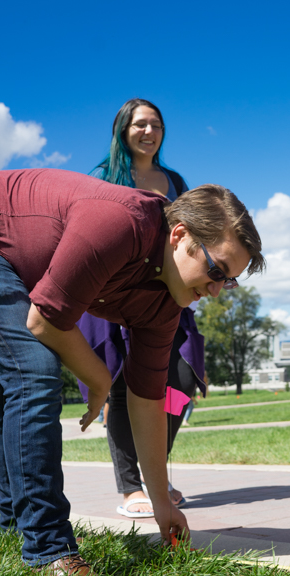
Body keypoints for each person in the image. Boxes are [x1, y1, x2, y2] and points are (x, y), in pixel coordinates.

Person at [0, 168, 264, 576]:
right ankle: (48, 551)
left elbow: (147, 399)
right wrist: (100, 379)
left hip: (18, 263)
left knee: (7, 387)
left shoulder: (167, 305)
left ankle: (16, 525)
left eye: (228, 282)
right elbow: (44, 322)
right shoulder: (121, 223)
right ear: (180, 237)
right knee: (32, 372)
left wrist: (161, 502)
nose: (215, 291)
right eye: (216, 270)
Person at [79, 98, 208, 519]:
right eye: (139, 124)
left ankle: (156, 471)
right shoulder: (103, 176)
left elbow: (192, 237)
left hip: (167, 296)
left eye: (155, 124)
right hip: (114, 295)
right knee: (121, 385)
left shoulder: (173, 180)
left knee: (179, 382)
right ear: (122, 130)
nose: (148, 131)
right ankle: (132, 486)